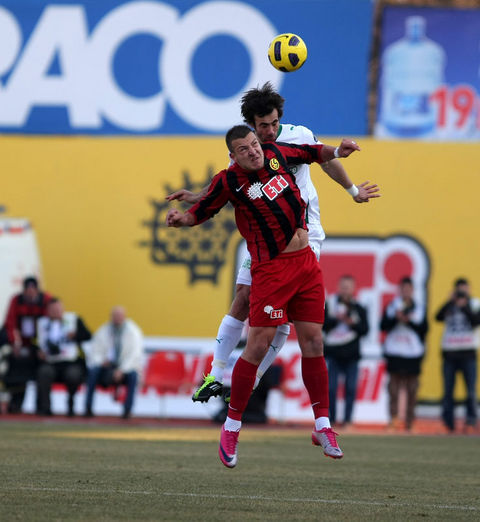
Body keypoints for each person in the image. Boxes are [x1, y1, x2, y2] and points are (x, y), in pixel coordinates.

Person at [167, 124, 369, 467]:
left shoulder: (277, 154)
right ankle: (231, 427)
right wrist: (181, 219)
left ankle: (323, 425)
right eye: (244, 149)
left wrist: (338, 151)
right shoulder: (228, 181)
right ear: (233, 156)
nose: (253, 151)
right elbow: (202, 212)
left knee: (314, 343)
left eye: (254, 144)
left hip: (306, 263)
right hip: (271, 270)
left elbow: (311, 153)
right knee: (258, 345)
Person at [167, 83, 379, 403]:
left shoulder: (296, 137)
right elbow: (224, 188)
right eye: (262, 125)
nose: (269, 131)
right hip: (266, 240)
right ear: (251, 125)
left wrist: (353, 191)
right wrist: (195, 199)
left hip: (304, 235)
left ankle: (251, 379)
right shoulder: (248, 150)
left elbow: (323, 158)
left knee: (283, 316)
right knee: (242, 297)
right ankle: (216, 374)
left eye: (274, 123)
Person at [380, 277, 428, 431]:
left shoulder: (419, 308)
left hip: (412, 353)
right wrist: (396, 317)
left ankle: (410, 421)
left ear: (412, 290)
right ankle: (393, 419)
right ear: (400, 290)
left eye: (408, 289)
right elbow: (383, 326)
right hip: (394, 351)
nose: (406, 292)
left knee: (412, 389)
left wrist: (409, 321)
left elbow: (424, 329)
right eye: (403, 289)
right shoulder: (392, 306)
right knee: (393, 389)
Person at [323, 275, 369, 428]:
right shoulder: (330, 304)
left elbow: (365, 330)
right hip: (333, 353)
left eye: (348, 287)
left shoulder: (359, 308)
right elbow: (322, 325)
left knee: (350, 388)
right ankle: (333, 419)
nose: (345, 290)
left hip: (352, 355)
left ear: (353, 289)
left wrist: (351, 323)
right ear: (338, 287)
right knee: (331, 388)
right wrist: (337, 319)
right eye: (343, 287)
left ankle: (348, 420)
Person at [435, 278, 480, 433]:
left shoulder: (475, 304)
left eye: (464, 290)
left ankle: (471, 421)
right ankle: (448, 423)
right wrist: (450, 302)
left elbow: (476, 321)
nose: (461, 294)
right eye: (459, 291)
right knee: (448, 391)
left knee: (470, 391)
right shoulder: (450, 306)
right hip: (450, 353)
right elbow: (437, 317)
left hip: (468, 353)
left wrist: (465, 306)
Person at [2, 276, 52, 412]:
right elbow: (10, 322)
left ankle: (41, 406)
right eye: (28, 290)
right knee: (14, 367)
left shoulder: (46, 300)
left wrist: (43, 347)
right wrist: (14, 342)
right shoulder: (16, 300)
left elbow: (50, 324)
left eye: (33, 290)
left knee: (42, 370)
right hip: (20, 344)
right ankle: (15, 403)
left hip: (39, 345)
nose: (30, 293)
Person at [84, 306, 143, 419]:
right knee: (93, 372)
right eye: (115, 316)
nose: (117, 318)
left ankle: (127, 410)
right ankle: (88, 408)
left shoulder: (133, 331)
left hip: (125, 368)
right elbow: (95, 350)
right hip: (107, 368)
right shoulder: (104, 330)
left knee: (133, 375)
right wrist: (101, 361)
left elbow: (135, 355)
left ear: (124, 317)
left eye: (119, 316)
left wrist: (122, 370)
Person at [36, 298, 91, 416]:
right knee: (43, 372)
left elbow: (88, 335)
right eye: (53, 310)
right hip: (50, 362)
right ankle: (46, 407)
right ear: (48, 311)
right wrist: (38, 352)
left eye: (58, 309)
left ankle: (71, 405)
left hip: (70, 361)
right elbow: (33, 343)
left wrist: (76, 336)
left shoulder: (73, 319)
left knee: (73, 375)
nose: (56, 312)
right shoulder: (41, 323)